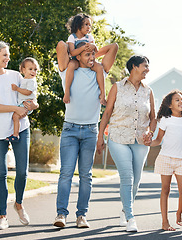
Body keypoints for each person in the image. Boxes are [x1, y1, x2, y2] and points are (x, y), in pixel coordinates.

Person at [53, 39, 118, 228]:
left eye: (93, 54)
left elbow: (113, 48)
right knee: (65, 173)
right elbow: (61, 45)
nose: (91, 57)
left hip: (90, 130)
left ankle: (81, 215)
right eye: (87, 54)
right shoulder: (67, 70)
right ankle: (61, 214)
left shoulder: (99, 71)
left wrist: (91, 53)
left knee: (85, 175)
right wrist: (79, 51)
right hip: (70, 130)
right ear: (78, 55)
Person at [0, 41, 38, 230]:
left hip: (20, 127)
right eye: (4, 54)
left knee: (22, 172)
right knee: (1, 173)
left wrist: (33, 106)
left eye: (8, 54)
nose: (7, 58)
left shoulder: (16, 75)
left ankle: (18, 203)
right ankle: (3, 216)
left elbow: (30, 97)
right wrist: (14, 108)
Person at [96, 55, 156, 232]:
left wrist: (150, 132)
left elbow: (153, 118)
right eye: (145, 66)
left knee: (136, 180)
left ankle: (124, 209)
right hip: (118, 137)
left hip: (140, 141)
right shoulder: (118, 87)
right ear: (134, 67)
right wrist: (100, 137)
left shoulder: (149, 91)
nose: (147, 69)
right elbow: (107, 114)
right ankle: (130, 217)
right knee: (127, 177)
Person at [149, 90, 182, 231]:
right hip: (166, 158)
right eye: (177, 100)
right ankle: (165, 222)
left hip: (181, 160)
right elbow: (158, 140)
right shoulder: (165, 119)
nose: (181, 102)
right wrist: (148, 143)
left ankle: (179, 213)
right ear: (170, 104)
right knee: (165, 190)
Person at [63, 13, 107, 105]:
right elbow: (72, 52)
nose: (89, 27)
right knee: (71, 65)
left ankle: (103, 93)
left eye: (90, 25)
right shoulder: (72, 37)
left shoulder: (89, 37)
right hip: (76, 60)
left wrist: (93, 45)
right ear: (79, 25)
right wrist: (83, 48)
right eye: (86, 24)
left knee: (99, 68)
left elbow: (96, 50)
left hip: (88, 61)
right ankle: (67, 91)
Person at [7, 57, 39, 141]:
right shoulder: (24, 80)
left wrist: (17, 89)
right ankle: (15, 133)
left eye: (35, 69)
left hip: (27, 104)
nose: (33, 71)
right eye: (30, 69)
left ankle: (15, 134)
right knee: (15, 117)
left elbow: (28, 92)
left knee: (15, 116)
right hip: (24, 103)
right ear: (23, 70)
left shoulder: (32, 81)